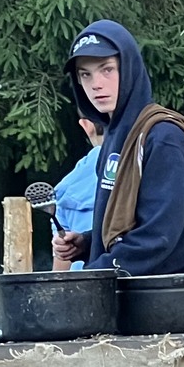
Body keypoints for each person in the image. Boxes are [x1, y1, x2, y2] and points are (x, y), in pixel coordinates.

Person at [51, 20, 184, 277]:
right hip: (123, 292)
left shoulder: (163, 137)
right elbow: (127, 226)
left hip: (158, 295)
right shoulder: (116, 134)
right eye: (85, 74)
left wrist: (90, 277)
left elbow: (158, 237)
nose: (96, 84)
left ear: (129, 68)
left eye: (107, 69)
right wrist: (85, 243)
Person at [50, 116, 103, 271]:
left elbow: (61, 271)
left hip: (80, 283)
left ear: (86, 125)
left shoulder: (64, 190)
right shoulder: (143, 167)